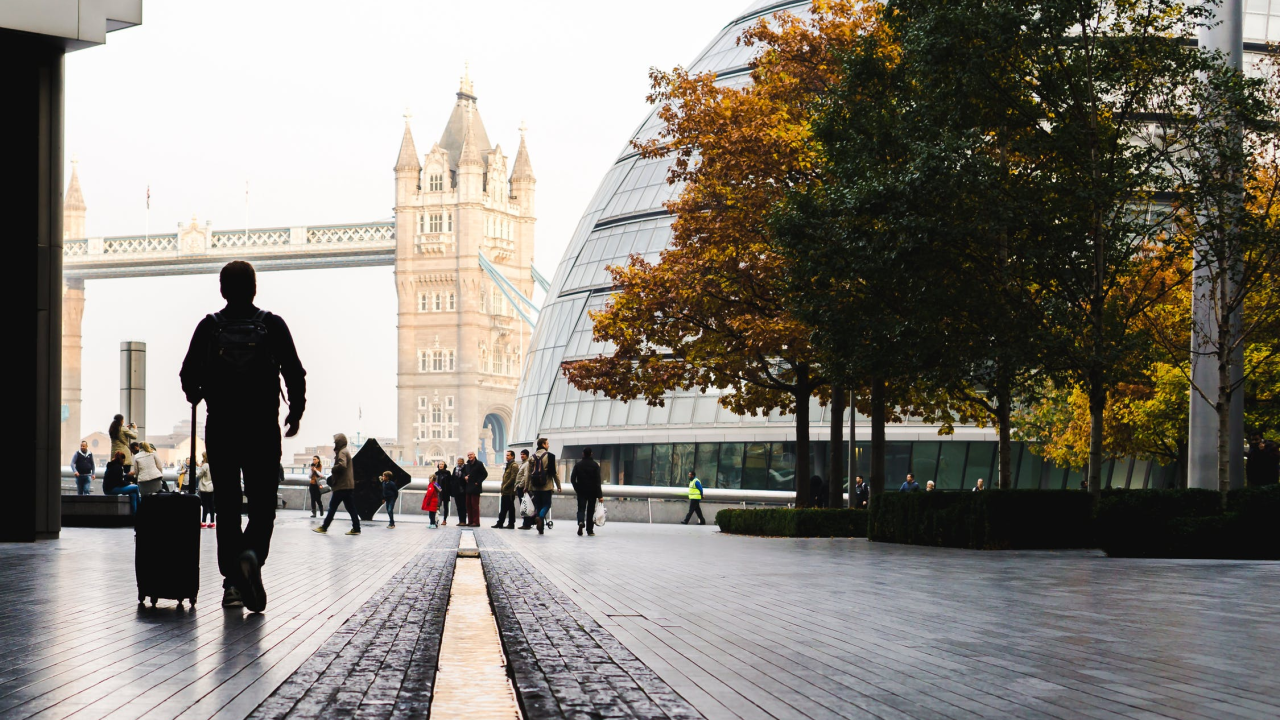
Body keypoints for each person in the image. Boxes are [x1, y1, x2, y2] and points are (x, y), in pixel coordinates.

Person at [181, 260, 307, 613]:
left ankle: (232, 584)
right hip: (262, 429)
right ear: (254, 288)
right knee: (264, 504)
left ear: (222, 290)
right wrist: (294, 413)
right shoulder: (272, 325)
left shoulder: (208, 327)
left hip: (221, 429)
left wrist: (199, 392)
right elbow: (295, 373)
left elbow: (188, 377)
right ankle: (251, 556)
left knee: (228, 505)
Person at [316, 433, 359, 536]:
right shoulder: (345, 451)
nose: (335, 444)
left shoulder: (342, 452)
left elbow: (342, 465)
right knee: (351, 508)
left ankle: (324, 527)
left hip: (341, 486)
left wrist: (333, 469)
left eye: (335, 442)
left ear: (339, 442)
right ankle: (356, 528)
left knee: (332, 507)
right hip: (347, 485)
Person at [529, 438, 560, 535]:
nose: (548, 445)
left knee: (538, 506)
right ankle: (540, 517)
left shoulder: (532, 457)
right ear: (543, 444)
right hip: (546, 486)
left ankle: (540, 529)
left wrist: (528, 486)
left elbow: (529, 473)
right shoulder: (549, 456)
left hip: (535, 487)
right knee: (547, 504)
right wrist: (558, 485)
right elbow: (554, 473)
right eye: (547, 443)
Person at [570, 448, 603, 536]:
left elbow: (572, 479)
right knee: (590, 511)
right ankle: (590, 530)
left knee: (581, 509)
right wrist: (600, 495)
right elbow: (598, 482)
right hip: (592, 491)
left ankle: (581, 522)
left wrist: (577, 488)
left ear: (583, 454)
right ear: (591, 454)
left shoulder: (578, 465)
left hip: (581, 491)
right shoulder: (595, 465)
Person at [494, 450, 518, 529]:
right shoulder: (509, 465)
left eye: (508, 455)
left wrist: (505, 486)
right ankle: (506, 523)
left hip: (509, 492)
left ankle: (504, 523)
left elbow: (513, 478)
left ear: (512, 456)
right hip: (506, 491)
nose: (506, 457)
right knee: (508, 508)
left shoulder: (514, 465)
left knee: (506, 508)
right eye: (506, 455)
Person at [464, 451, 486, 527]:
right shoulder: (467, 465)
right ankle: (470, 521)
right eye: (468, 455)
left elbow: (485, 474)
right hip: (468, 487)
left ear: (474, 455)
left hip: (475, 488)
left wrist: (478, 482)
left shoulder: (479, 464)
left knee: (475, 506)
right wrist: (465, 477)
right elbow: (464, 473)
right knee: (468, 505)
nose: (470, 456)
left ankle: (476, 522)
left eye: (471, 455)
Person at [515, 449, 536, 530]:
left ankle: (527, 523)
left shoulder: (526, 464)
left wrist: (521, 485)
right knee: (523, 505)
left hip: (523, 488)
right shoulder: (523, 464)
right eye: (521, 454)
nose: (522, 456)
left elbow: (525, 476)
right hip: (522, 488)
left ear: (527, 455)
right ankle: (526, 523)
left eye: (523, 454)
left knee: (525, 506)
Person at [198, 452, 215, 528]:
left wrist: (199, 468)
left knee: (204, 505)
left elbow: (199, 475)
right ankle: (212, 521)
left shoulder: (205, 465)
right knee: (211, 505)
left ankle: (204, 521)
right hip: (211, 487)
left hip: (204, 488)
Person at [433, 461, 453, 525]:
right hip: (438, 492)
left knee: (445, 506)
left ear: (444, 465)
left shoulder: (447, 473)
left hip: (446, 492)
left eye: (442, 464)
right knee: (437, 506)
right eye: (440, 464)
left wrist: (449, 491)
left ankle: (444, 520)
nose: (441, 465)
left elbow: (450, 482)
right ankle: (436, 519)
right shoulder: (436, 473)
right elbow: (434, 482)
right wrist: (439, 488)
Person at [451, 457, 469, 526]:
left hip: (463, 491)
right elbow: (453, 478)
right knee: (458, 507)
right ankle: (460, 521)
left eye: (461, 461)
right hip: (456, 491)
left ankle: (463, 521)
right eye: (458, 461)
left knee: (463, 506)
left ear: (463, 462)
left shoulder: (466, 468)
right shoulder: (455, 469)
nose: (459, 463)